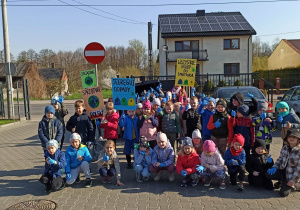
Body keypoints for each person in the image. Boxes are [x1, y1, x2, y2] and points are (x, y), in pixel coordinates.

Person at [266, 129, 300, 197]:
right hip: (283, 171)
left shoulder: (299, 151)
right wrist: (275, 167)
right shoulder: (285, 147)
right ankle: (282, 181)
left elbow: (299, 169)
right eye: (289, 137)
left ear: (298, 139)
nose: (291, 138)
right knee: (267, 174)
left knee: (283, 194)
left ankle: (293, 186)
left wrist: (292, 181)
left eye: (294, 137)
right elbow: (280, 159)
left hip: (292, 176)